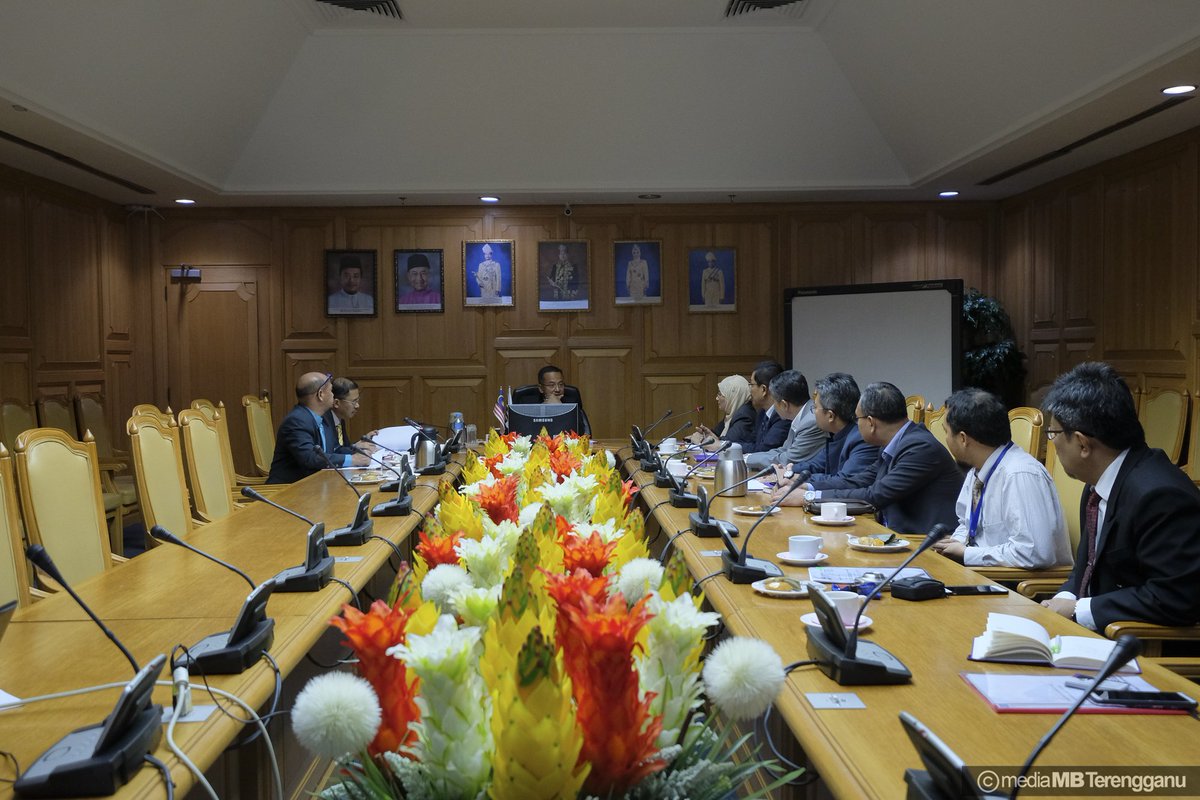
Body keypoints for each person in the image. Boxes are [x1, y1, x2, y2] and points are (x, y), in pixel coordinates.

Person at [1040, 362, 1200, 630]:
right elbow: (1088, 568)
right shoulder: (1096, 485)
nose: (1052, 442)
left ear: (1082, 443)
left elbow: (1175, 597)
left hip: (1141, 652)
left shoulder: (1160, 495)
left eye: (1054, 433)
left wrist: (1079, 609)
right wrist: (1065, 597)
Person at [788, 382, 961, 535]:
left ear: (871, 422)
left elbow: (875, 495)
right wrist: (805, 486)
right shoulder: (894, 443)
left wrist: (809, 497)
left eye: (857, 419)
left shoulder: (920, 448)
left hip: (923, 543)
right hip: (891, 535)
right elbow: (859, 481)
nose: (856, 424)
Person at [931, 388, 1072, 569]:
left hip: (1015, 587)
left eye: (947, 432)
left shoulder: (1020, 474)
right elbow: (966, 525)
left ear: (963, 438)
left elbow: (1034, 552)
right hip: (984, 574)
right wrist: (953, 545)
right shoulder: (978, 468)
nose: (946, 439)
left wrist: (967, 553)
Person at [772, 372, 879, 494]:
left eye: (815, 407)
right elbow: (816, 465)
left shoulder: (862, 439)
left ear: (830, 415)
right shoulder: (836, 434)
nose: (813, 412)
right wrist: (788, 471)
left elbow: (844, 481)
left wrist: (800, 481)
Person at [267, 372, 369, 484]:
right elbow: (310, 458)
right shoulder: (297, 421)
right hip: (288, 490)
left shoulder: (323, 418)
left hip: (315, 486)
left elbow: (335, 449)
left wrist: (360, 452)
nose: (333, 395)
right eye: (330, 391)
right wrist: (352, 460)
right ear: (321, 394)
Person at [746, 369, 824, 470]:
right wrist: (749, 457)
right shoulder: (799, 416)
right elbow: (783, 450)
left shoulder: (811, 422)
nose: (773, 406)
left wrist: (747, 460)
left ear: (784, 405)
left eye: (774, 402)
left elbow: (787, 459)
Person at [730, 360, 790, 455]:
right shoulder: (762, 413)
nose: (750, 390)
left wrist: (725, 446)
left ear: (763, 389)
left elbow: (763, 450)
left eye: (752, 385)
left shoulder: (783, 416)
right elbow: (751, 442)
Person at [691, 375, 755, 448]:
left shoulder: (744, 416)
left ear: (732, 396)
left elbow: (728, 444)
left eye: (720, 394)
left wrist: (702, 441)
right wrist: (705, 435)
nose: (716, 398)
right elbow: (716, 435)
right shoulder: (732, 413)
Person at [324, 377, 379, 455]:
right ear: (336, 403)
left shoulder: (339, 419)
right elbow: (333, 452)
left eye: (358, 400)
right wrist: (355, 447)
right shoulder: (324, 423)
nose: (357, 406)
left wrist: (361, 443)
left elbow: (342, 447)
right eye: (353, 402)